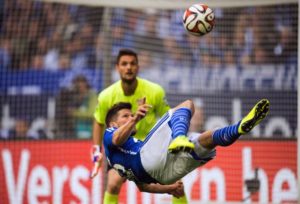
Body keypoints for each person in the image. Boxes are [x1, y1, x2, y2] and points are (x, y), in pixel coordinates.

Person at [102, 98, 269, 194]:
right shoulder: (109, 134)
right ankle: (179, 137)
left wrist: (170, 188)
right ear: (113, 124)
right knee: (187, 105)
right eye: (125, 116)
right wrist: (135, 119)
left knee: (207, 139)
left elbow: (143, 187)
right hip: (146, 160)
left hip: (163, 176)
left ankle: (239, 128)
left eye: (131, 115)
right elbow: (116, 138)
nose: (130, 117)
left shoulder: (119, 157)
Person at [90, 49, 188, 203]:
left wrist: (175, 140)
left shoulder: (155, 91)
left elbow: (169, 118)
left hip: (150, 146)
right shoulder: (106, 96)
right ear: (117, 68)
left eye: (132, 64)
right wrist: (96, 151)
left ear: (138, 67)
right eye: (124, 64)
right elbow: (98, 121)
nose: (128, 67)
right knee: (113, 182)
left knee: (175, 180)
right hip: (121, 149)